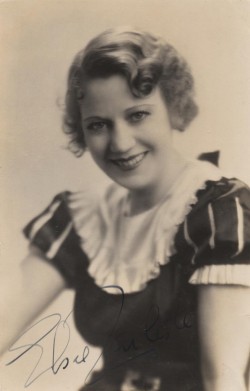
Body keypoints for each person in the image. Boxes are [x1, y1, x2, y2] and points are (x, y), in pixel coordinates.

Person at [1, 27, 250, 391]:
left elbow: (223, 379)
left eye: (137, 116)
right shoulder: (83, 217)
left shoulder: (219, 215)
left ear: (174, 109)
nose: (120, 143)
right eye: (99, 125)